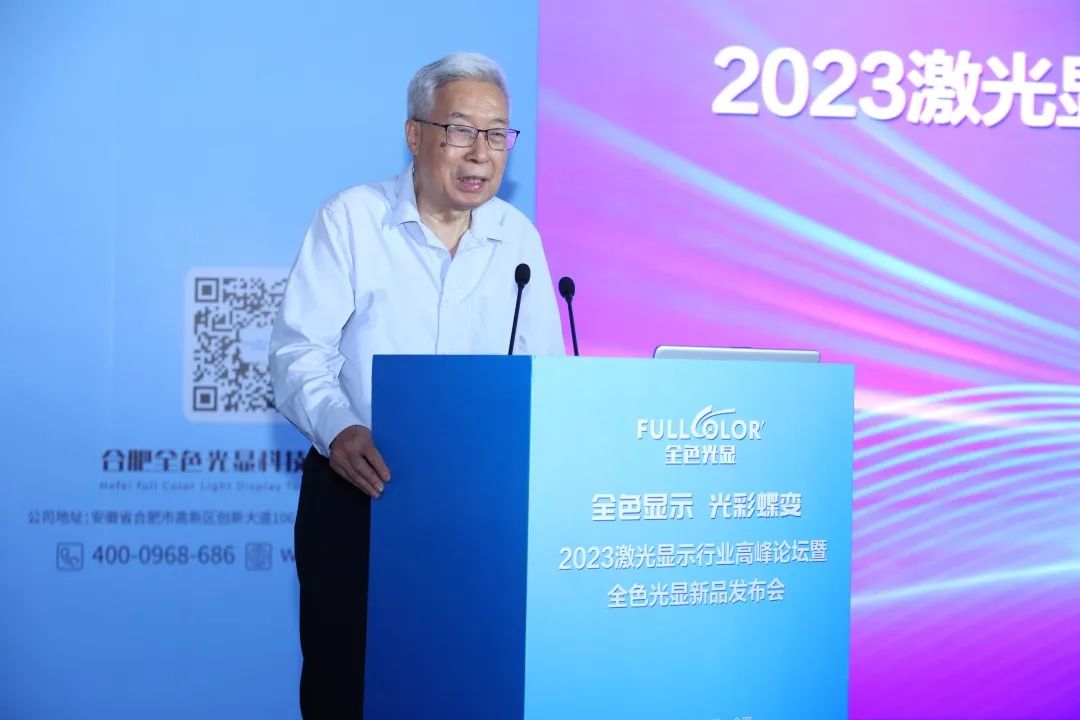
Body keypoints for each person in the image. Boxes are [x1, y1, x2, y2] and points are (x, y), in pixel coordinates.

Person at [268, 52, 565, 718]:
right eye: (460, 130)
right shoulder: (351, 219)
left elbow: (543, 369)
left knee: (465, 688)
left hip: (479, 512)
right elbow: (297, 353)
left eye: (497, 134)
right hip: (360, 494)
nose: (481, 152)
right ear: (415, 133)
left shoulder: (518, 239)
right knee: (348, 688)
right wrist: (340, 429)